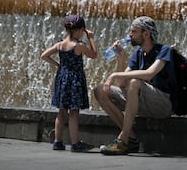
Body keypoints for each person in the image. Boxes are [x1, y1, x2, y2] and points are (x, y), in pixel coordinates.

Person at [94, 16, 174, 155]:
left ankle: (122, 139)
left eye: (133, 31)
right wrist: (120, 59)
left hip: (163, 104)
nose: (130, 35)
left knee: (134, 81)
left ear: (146, 34)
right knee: (100, 90)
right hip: (142, 101)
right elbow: (121, 85)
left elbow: (149, 74)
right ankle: (131, 139)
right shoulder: (138, 53)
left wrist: (114, 75)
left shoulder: (164, 50)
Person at [41, 14, 98, 152]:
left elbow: (44, 55)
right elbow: (94, 55)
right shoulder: (79, 46)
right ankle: (75, 143)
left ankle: (57, 142)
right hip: (75, 81)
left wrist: (58, 65)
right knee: (74, 112)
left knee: (61, 112)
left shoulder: (60, 44)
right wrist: (91, 38)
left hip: (62, 78)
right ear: (79, 30)